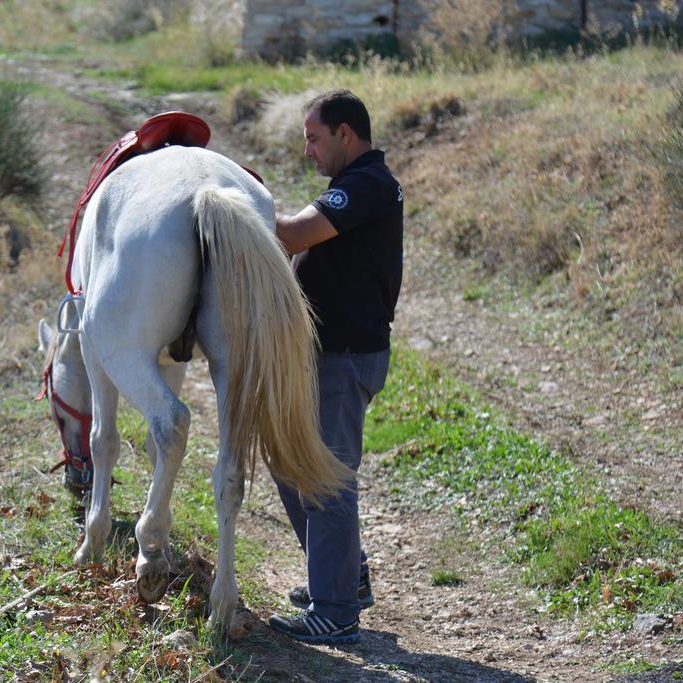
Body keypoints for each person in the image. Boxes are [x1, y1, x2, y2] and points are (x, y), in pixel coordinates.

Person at [268, 89, 403, 645]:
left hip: (345, 361)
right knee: (286, 460)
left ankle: (336, 610)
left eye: (314, 137)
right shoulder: (352, 185)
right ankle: (346, 577)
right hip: (327, 359)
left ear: (346, 133)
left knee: (325, 480)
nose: (308, 151)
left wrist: (235, 201)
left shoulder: (367, 185)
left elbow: (296, 233)